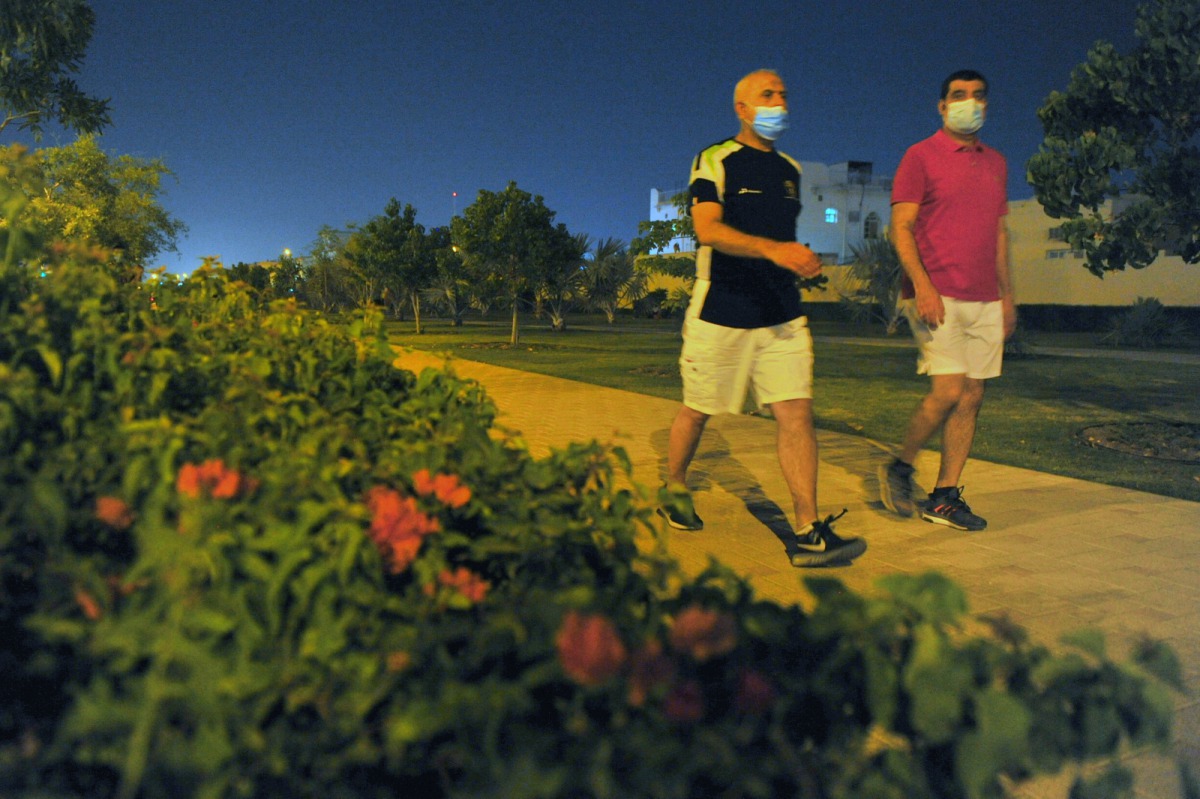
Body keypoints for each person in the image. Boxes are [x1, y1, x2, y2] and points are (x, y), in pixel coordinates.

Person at [660, 69, 866, 567]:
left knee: (796, 414)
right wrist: (776, 251)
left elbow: (781, 241)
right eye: (767, 95)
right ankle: (673, 486)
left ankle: (808, 531)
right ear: (743, 108)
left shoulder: (791, 170)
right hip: (722, 309)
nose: (779, 102)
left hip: (781, 314)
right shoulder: (714, 159)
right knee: (698, 408)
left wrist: (800, 258)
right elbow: (707, 229)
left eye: (783, 94)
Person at [879, 69, 1018, 531]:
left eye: (979, 95)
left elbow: (998, 234)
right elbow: (900, 226)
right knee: (948, 391)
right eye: (959, 96)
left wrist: (1007, 297)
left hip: (984, 296)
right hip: (936, 291)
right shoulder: (920, 156)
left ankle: (944, 497)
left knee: (972, 395)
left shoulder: (996, 163)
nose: (969, 103)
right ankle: (900, 466)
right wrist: (921, 285)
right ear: (942, 107)